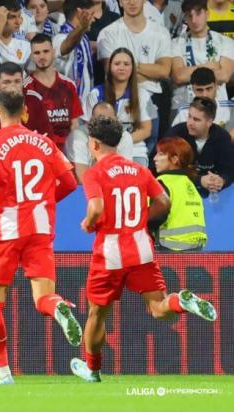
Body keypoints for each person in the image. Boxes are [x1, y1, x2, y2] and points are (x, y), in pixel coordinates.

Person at [70, 116, 217, 383]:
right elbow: (163, 201)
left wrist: (89, 223)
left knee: (96, 314)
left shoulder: (94, 173)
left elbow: (96, 208)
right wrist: (141, 220)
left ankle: (92, 370)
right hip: (141, 247)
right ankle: (180, 301)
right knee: (159, 308)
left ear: (93, 144)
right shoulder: (139, 170)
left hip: (111, 252)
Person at [0, 91, 81, 385]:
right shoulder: (45, 143)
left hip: (6, 230)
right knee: (43, 296)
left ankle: (4, 371)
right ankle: (58, 306)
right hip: (40, 228)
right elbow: (71, 182)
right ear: (25, 112)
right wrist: (44, 201)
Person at [97, 0, 172, 145]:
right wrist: (150, 69)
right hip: (120, 98)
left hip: (153, 98)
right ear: (120, 2)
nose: (132, 2)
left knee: (153, 152)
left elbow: (164, 70)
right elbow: (113, 72)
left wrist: (130, 66)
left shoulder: (160, 32)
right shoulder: (108, 33)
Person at [83, 48, 153, 166]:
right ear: (110, 67)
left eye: (126, 64)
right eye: (117, 63)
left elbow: (146, 130)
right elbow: (87, 127)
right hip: (102, 151)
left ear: (132, 68)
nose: (121, 67)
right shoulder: (95, 93)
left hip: (135, 150)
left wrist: (123, 142)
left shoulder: (143, 94)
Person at [170, 0, 233, 113]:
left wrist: (189, 70)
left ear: (207, 14)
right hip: (183, 106)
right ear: (185, 18)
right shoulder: (175, 43)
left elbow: (224, 76)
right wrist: (210, 66)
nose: (194, 20)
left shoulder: (225, 42)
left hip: (217, 107)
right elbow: (179, 76)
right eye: (189, 16)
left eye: (198, 14)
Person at [24, 33, 83, 151]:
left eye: (46, 51)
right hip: (39, 150)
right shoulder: (25, 88)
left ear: (53, 51)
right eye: (37, 53)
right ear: (32, 55)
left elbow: (74, 124)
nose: (42, 56)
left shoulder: (69, 85)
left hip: (67, 150)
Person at [165, 96, 233, 197]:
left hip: (212, 192)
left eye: (196, 119)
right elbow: (165, 168)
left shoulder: (222, 138)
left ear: (209, 122)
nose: (190, 123)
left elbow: (229, 170)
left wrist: (222, 180)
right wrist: (199, 180)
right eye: (189, 116)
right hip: (179, 190)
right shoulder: (176, 133)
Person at [151, 137, 207, 251]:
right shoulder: (189, 183)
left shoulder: (163, 182)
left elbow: (156, 217)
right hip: (196, 248)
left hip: (170, 248)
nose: (154, 158)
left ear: (175, 159)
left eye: (160, 154)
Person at [65, 101, 134, 183]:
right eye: (100, 121)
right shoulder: (78, 137)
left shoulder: (124, 137)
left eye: (109, 121)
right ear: (91, 122)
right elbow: (82, 180)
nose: (104, 126)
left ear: (117, 120)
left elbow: (125, 177)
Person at [53, 0, 98, 103]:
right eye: (91, 14)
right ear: (79, 14)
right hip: (68, 104)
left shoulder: (84, 38)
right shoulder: (59, 38)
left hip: (85, 105)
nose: (93, 19)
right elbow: (68, 45)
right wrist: (81, 26)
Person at [172, 68, 233, 134]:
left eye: (209, 88)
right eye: (199, 90)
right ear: (192, 89)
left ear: (216, 86)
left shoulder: (230, 108)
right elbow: (172, 140)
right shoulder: (184, 112)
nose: (205, 95)